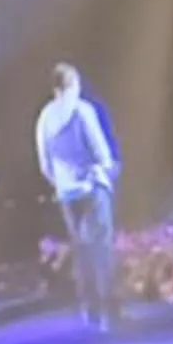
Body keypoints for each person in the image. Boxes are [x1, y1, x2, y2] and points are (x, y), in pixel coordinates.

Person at [34, 60, 118, 329]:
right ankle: (108, 311)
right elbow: (101, 152)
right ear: (72, 85)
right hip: (91, 190)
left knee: (81, 250)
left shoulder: (44, 117)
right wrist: (104, 172)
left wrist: (61, 182)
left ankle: (89, 310)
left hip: (66, 194)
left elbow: (44, 164)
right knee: (101, 249)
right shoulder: (82, 111)